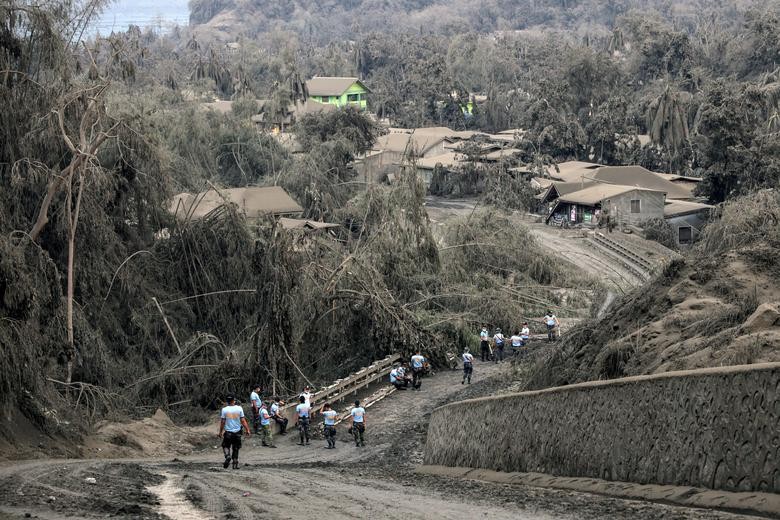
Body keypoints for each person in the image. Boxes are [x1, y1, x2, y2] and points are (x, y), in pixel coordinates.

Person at [217, 395, 251, 469]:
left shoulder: (224, 410)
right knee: (236, 448)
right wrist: (247, 430)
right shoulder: (239, 408)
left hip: (228, 433)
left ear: (227, 401)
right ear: (233, 400)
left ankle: (227, 456)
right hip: (237, 433)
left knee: (225, 446)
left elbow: (223, 422)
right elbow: (243, 420)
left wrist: (220, 432)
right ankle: (235, 464)